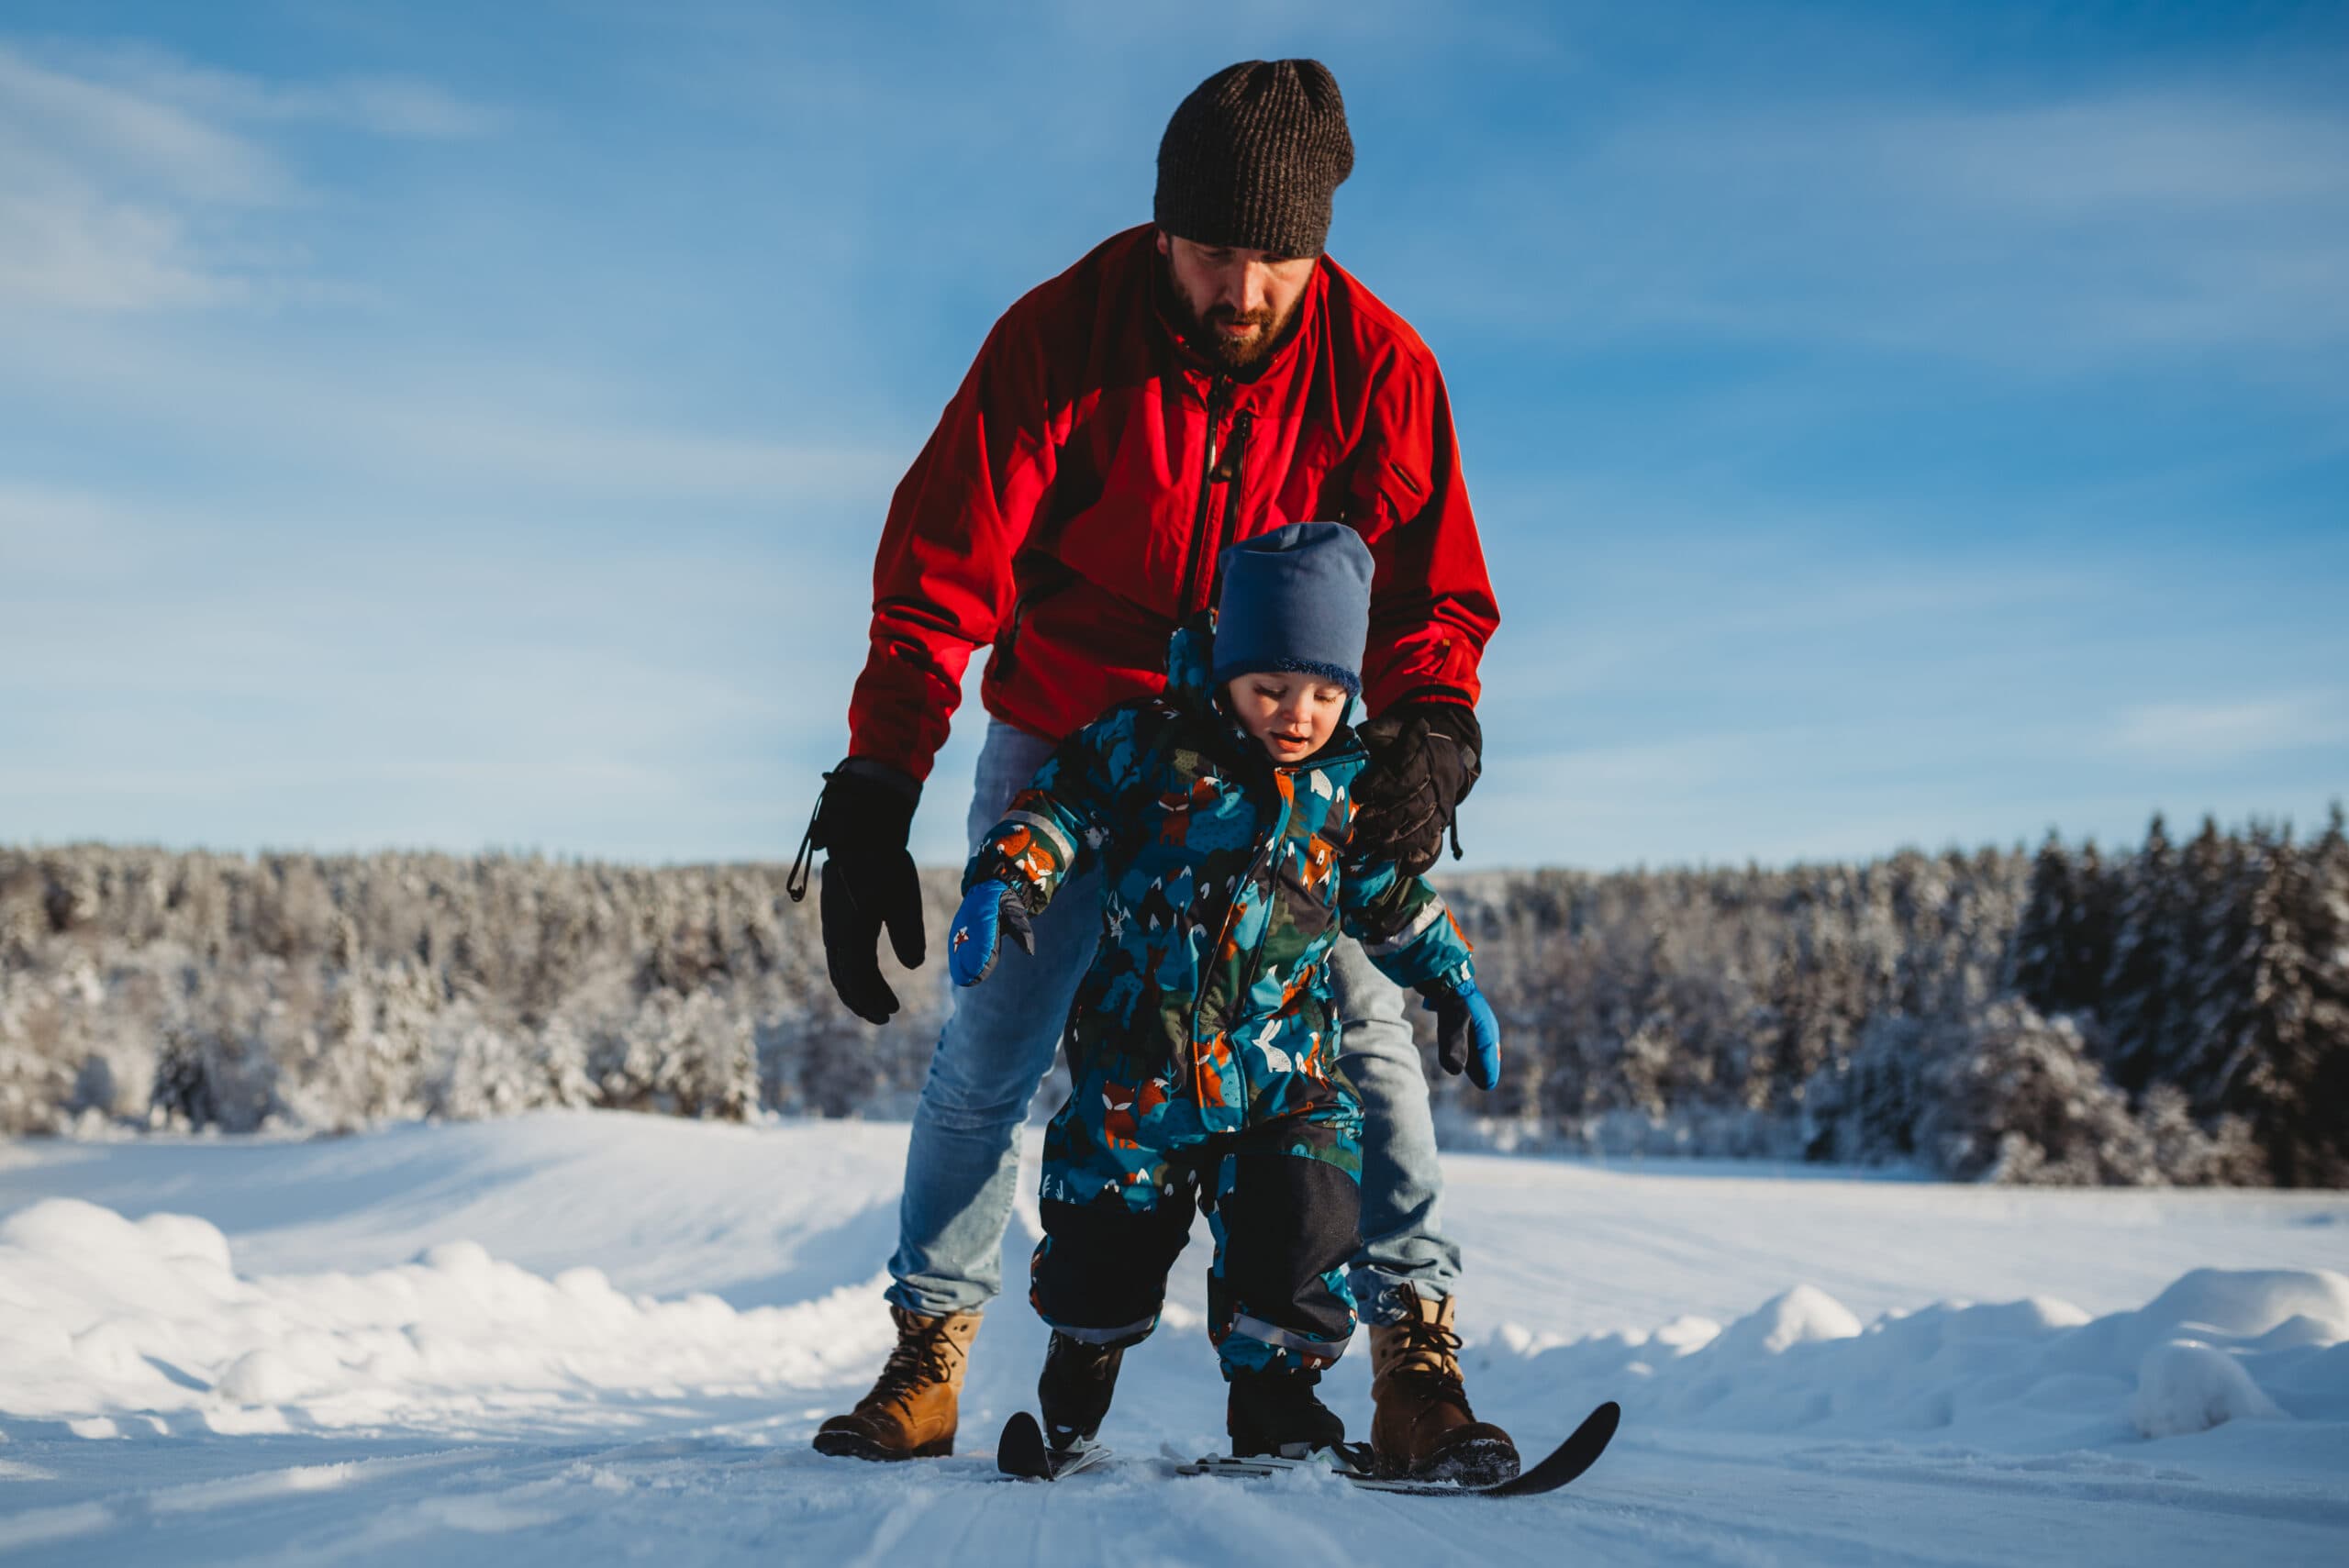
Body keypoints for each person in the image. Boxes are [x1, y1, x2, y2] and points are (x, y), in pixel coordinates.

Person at [796, 59, 1505, 1479]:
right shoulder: (1061, 338)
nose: (1243, 291)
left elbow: (1433, 592)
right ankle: (928, 1349)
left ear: (1319, 246)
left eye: (1277, 259)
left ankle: (1414, 1356)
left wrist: (1432, 731)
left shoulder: (1382, 368)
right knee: (993, 1046)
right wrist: (881, 779)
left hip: (1290, 765)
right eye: (1214, 252)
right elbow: (942, 576)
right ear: (1162, 227)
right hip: (1077, 737)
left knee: (1367, 1048)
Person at [944, 524, 1508, 1470]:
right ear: (1225, 668)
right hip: (1139, 1075)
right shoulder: (1147, 747)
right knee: (1100, 1263)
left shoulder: (1345, 792)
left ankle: (1277, 1410)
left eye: (1327, 692)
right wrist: (1007, 877)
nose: (1299, 713)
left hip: (1284, 1083)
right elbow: (1059, 806)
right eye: (1272, 688)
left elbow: (1391, 899)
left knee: (1301, 1234)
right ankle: (1077, 1378)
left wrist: (1450, 976)